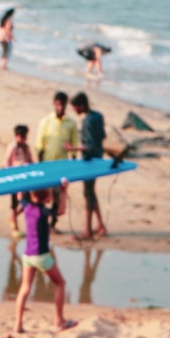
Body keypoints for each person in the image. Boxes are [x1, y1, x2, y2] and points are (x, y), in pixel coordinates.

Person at [8, 183, 77, 337]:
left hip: (27, 255)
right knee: (60, 284)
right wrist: (64, 191)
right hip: (41, 256)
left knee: (25, 288)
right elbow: (60, 211)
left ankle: (17, 324)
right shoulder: (42, 211)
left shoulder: (26, 206)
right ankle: (59, 321)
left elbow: (20, 195)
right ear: (46, 197)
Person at [65, 92, 107, 240]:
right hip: (98, 159)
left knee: (88, 194)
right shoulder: (98, 116)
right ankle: (100, 225)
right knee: (91, 191)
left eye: (75, 107)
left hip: (89, 161)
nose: (74, 110)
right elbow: (102, 137)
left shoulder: (88, 121)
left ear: (81, 105)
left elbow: (89, 146)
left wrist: (72, 149)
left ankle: (87, 231)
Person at [35, 91, 78, 234]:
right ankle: (43, 223)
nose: (59, 107)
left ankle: (52, 224)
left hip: (62, 165)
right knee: (44, 195)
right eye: (57, 104)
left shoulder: (70, 124)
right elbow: (39, 143)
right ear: (54, 104)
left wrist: (73, 161)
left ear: (66, 105)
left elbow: (74, 144)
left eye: (62, 104)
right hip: (47, 164)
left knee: (58, 196)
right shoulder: (46, 121)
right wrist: (39, 164)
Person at [5, 124, 34, 236]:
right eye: (20, 136)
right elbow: (7, 161)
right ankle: (15, 228)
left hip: (25, 177)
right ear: (16, 136)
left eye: (24, 136)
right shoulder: (12, 147)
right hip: (15, 177)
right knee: (14, 202)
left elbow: (30, 159)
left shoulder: (26, 147)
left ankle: (13, 217)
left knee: (27, 201)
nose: (22, 138)